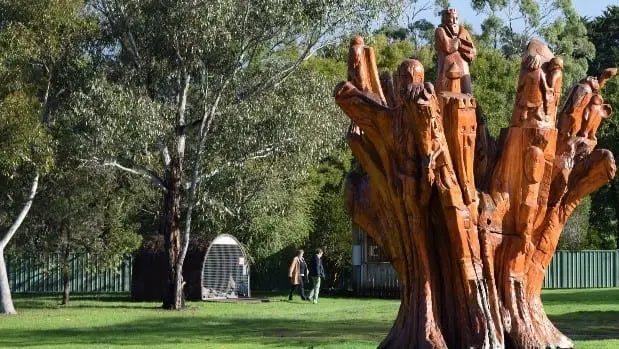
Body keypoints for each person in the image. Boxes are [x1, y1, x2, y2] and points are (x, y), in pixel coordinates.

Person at [434, 8, 477, 94]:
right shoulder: (440, 31)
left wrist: (466, 50)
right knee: (445, 93)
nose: (454, 21)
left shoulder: (464, 32)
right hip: (446, 68)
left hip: (463, 69)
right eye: (451, 18)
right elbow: (447, 46)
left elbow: (473, 51)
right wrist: (459, 43)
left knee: (467, 93)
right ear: (445, 19)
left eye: (456, 18)